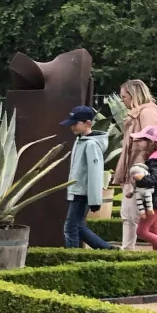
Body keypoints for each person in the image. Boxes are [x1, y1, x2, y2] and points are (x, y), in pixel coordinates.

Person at [112, 80, 157, 251]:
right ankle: (130, 249)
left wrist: (139, 171)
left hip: (140, 171)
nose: (122, 100)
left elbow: (151, 142)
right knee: (130, 216)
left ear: (134, 95)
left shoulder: (146, 113)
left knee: (134, 217)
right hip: (136, 170)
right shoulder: (140, 113)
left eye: (124, 96)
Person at [61, 105, 111, 249]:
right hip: (77, 190)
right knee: (78, 227)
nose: (72, 127)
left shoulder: (90, 144)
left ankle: (72, 260)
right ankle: (107, 249)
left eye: (75, 123)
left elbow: (95, 173)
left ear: (88, 123)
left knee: (70, 228)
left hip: (81, 192)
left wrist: (95, 200)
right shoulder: (80, 140)